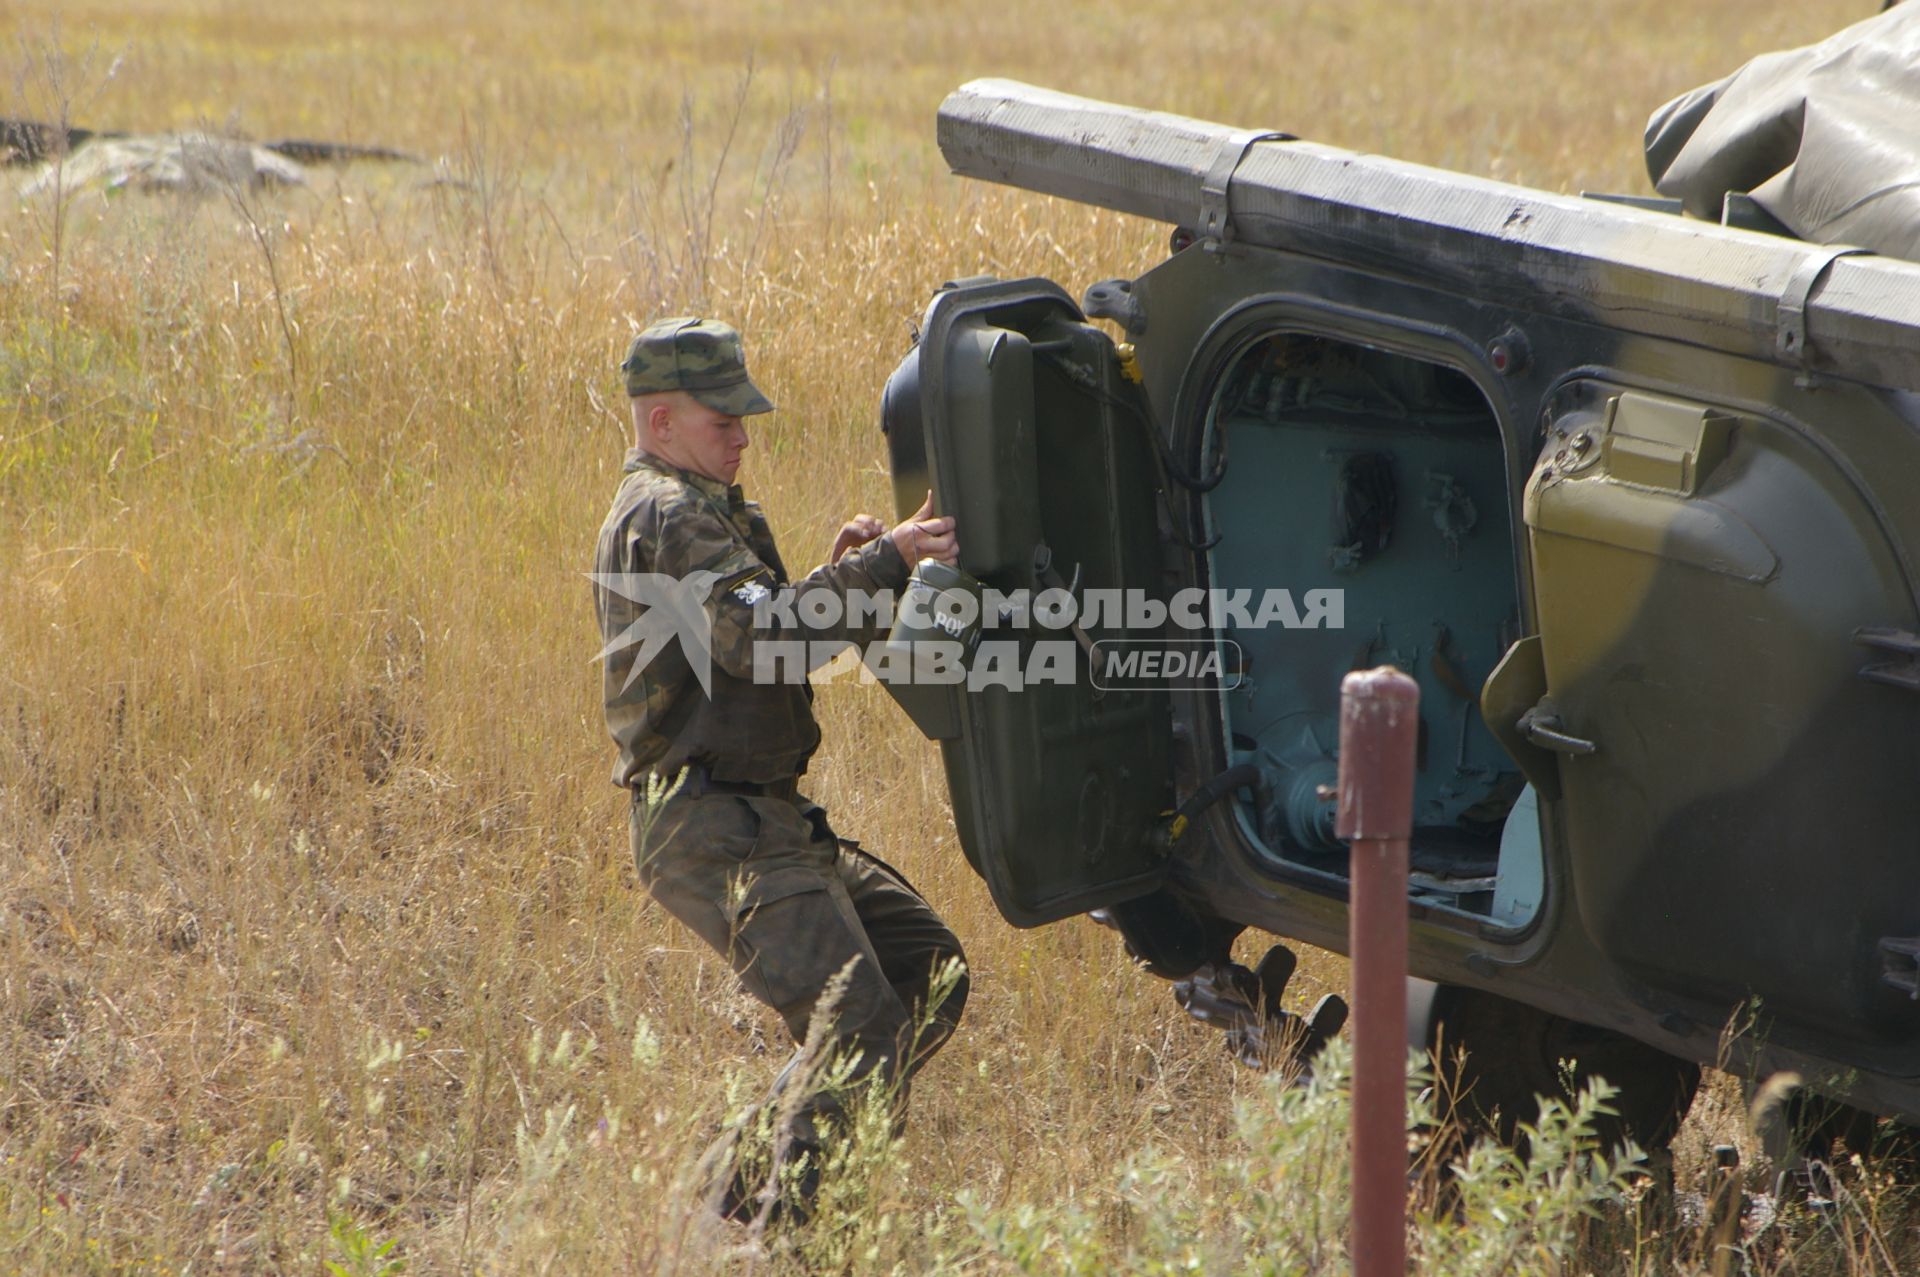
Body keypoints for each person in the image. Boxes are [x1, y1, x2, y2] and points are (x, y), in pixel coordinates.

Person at [591, 316, 968, 1224]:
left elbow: (764, 635)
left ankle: (717, 1202)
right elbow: (761, 638)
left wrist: (843, 576)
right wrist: (882, 565)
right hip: (713, 823)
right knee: (859, 1025)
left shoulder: (711, 504)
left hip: (763, 817)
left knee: (927, 969)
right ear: (660, 419)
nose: (742, 434)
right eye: (722, 419)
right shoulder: (664, 513)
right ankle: (788, 1237)